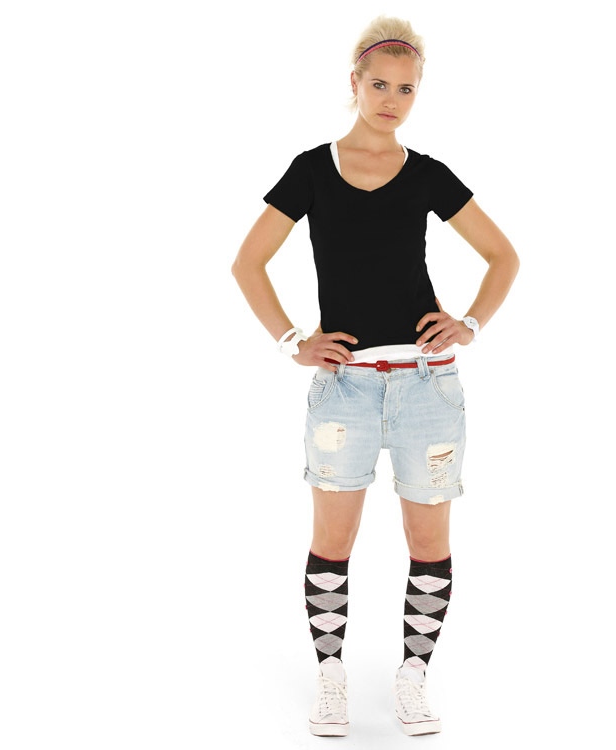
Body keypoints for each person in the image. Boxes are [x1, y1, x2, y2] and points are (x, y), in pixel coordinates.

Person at [231, 15, 519, 737]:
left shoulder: (428, 174)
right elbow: (247, 263)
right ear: (354, 83)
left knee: (430, 543)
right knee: (332, 541)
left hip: (428, 386)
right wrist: (293, 340)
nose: (392, 100)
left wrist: (470, 322)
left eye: (406, 89)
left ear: (418, 93)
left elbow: (503, 256)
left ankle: (412, 679)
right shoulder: (310, 170)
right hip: (345, 388)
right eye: (380, 84)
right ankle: (331, 679)